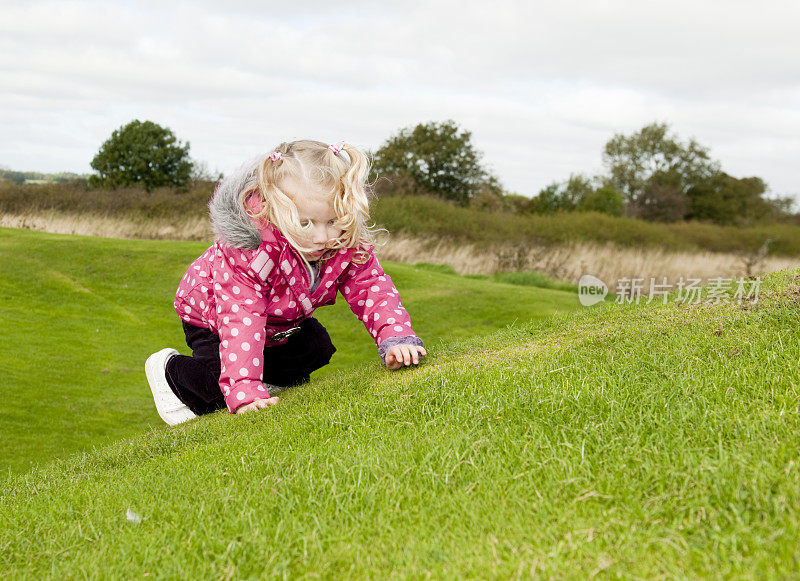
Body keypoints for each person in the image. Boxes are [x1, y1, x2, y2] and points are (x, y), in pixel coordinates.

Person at [145, 140, 426, 425]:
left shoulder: (345, 243)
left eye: (333, 221)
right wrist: (246, 391)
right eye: (305, 223)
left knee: (315, 346)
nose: (321, 237)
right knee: (221, 384)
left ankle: (267, 378)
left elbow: (371, 288)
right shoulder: (252, 251)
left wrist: (395, 338)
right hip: (214, 316)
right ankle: (169, 372)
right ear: (276, 210)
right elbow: (242, 318)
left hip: (277, 322)